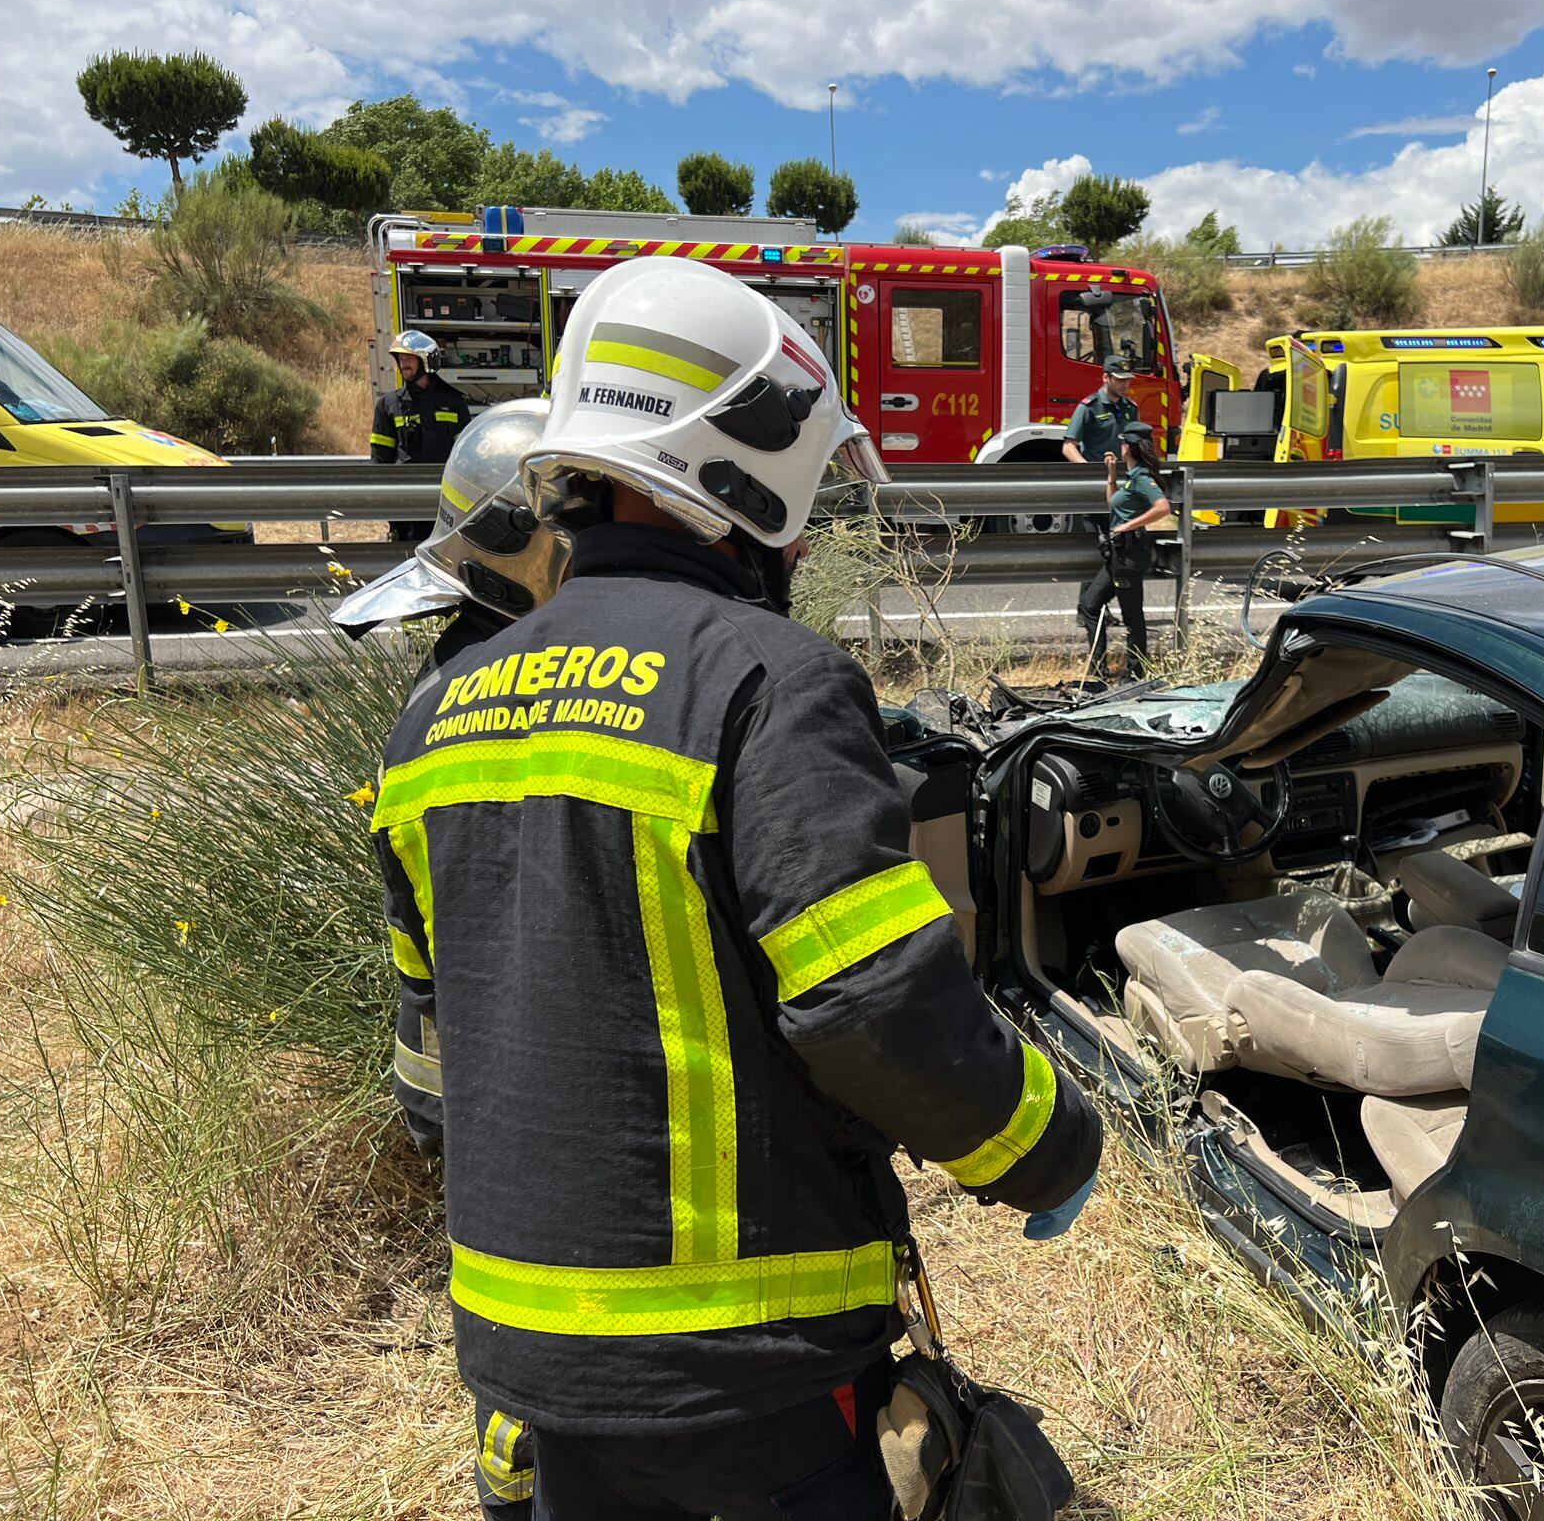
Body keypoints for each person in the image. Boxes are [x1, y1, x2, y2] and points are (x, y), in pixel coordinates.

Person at [369, 256, 1102, 1521]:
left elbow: (430, 1060)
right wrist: (1044, 1145)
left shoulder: (430, 719)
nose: (806, 527)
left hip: (520, 1364)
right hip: (743, 1372)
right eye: (804, 491)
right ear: (738, 472)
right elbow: (868, 999)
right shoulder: (765, 677)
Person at [339, 398, 569, 1519]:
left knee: (517, 1408)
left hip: (487, 1151)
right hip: (587, 1121)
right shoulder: (587, 690)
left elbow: (416, 968)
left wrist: (440, 1124)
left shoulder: (426, 709)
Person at [1078, 426, 1173, 683]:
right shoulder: (1131, 476)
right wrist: (1111, 476)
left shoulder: (1142, 477)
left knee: (1132, 617)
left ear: (1127, 448)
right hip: (1118, 555)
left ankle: (1135, 675)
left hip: (1130, 554)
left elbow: (1163, 506)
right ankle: (1098, 670)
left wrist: (1128, 526)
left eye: (1122, 444)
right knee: (1090, 604)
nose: (1120, 448)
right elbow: (1113, 505)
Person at [373, 330, 473, 542]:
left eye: (409, 358)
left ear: (427, 361)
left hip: (447, 504)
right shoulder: (388, 405)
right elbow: (380, 461)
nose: (403, 364)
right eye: (400, 359)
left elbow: (467, 459)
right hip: (407, 506)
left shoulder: (454, 403)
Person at [1059, 354, 1141, 481]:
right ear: (1105, 378)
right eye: (1120, 380)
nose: (1125, 385)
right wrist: (1089, 471)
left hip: (1125, 477)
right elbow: (1069, 447)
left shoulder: (1131, 408)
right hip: (1098, 477)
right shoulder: (1089, 407)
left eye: (1127, 380)